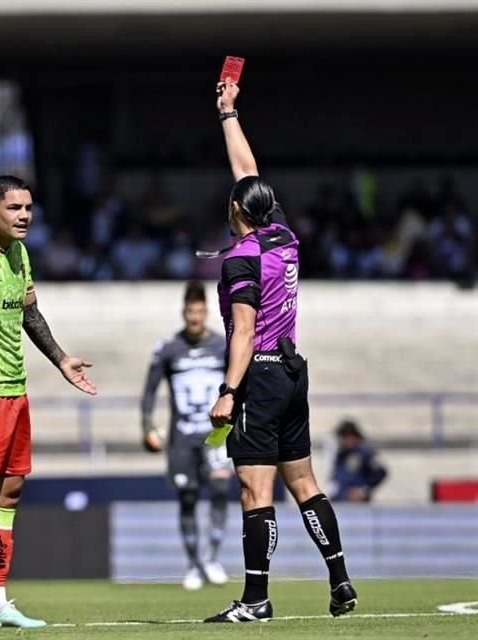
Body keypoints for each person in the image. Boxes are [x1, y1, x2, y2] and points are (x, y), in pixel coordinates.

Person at [203, 80, 357, 623]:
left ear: (235, 210)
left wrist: (227, 392)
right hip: (294, 371)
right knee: (306, 485)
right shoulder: (283, 237)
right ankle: (339, 580)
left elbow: (242, 333)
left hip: (261, 376)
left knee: (254, 489)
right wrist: (229, 113)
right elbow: (248, 174)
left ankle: (255, 600)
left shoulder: (240, 258)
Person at [0, 175, 97, 629]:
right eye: (14, 208)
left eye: (28, 207)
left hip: (14, 390)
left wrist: (61, 359)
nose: (24, 215)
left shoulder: (20, 253)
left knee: (9, 491)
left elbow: (30, 313)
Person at [140, 280, 232, 591]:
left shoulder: (222, 346)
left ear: (207, 312)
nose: (195, 317)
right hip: (181, 437)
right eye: (190, 311)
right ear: (184, 313)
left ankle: (213, 558)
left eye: (200, 311)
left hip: (216, 435)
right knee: (188, 497)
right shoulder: (168, 349)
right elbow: (149, 391)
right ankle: (193, 564)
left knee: (220, 488)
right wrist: (147, 426)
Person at [331, 420, 388, 503]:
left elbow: (381, 472)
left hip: (357, 504)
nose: (344, 441)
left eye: (346, 437)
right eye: (343, 437)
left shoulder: (365, 452)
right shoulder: (341, 454)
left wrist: (364, 490)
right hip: (341, 500)